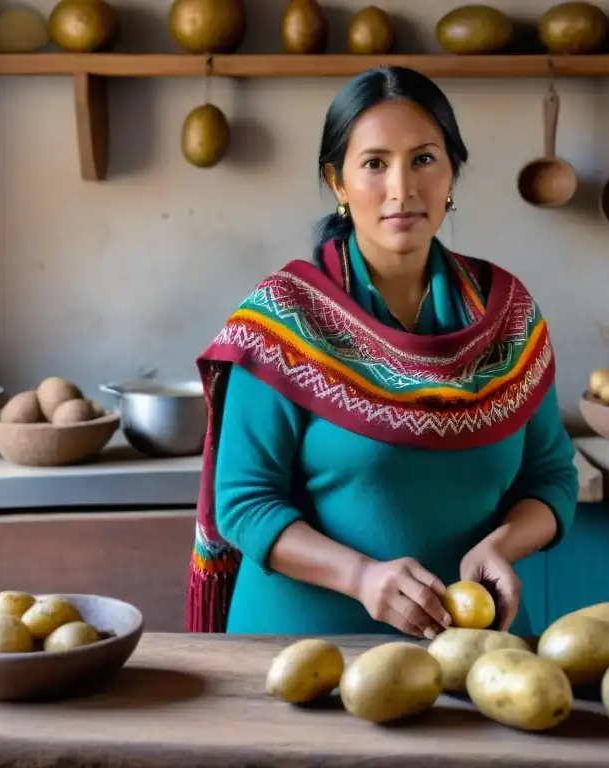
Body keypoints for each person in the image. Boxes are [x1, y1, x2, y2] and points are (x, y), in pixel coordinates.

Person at [186, 66, 578, 639]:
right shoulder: (283, 320)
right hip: (306, 654)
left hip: (479, 654)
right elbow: (245, 503)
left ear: (451, 173)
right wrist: (361, 577)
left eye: (424, 159)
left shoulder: (508, 316)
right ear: (338, 182)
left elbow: (551, 478)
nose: (402, 188)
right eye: (374, 164)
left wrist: (502, 545)